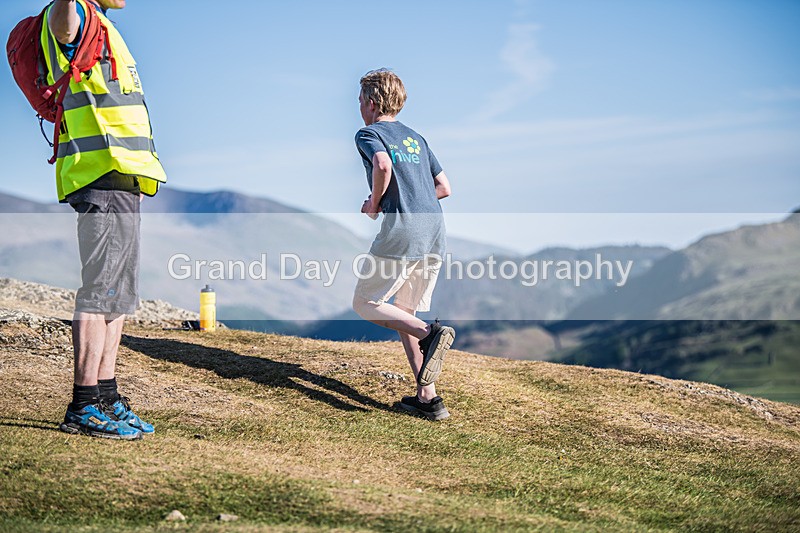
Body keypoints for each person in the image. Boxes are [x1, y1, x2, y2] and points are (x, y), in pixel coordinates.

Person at [45, 0, 167, 439]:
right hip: (99, 174)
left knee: (120, 294)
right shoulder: (74, 15)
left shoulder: (105, 27)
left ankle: (107, 396)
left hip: (125, 178)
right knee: (100, 291)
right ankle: (82, 404)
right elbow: (62, 26)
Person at [352, 69, 456, 421]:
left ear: (373, 102)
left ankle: (430, 334)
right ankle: (428, 398)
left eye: (361, 100)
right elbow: (444, 187)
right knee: (404, 313)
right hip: (435, 230)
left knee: (365, 302)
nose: (360, 108)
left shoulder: (370, 133)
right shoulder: (417, 138)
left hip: (404, 230)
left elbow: (382, 163)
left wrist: (376, 202)